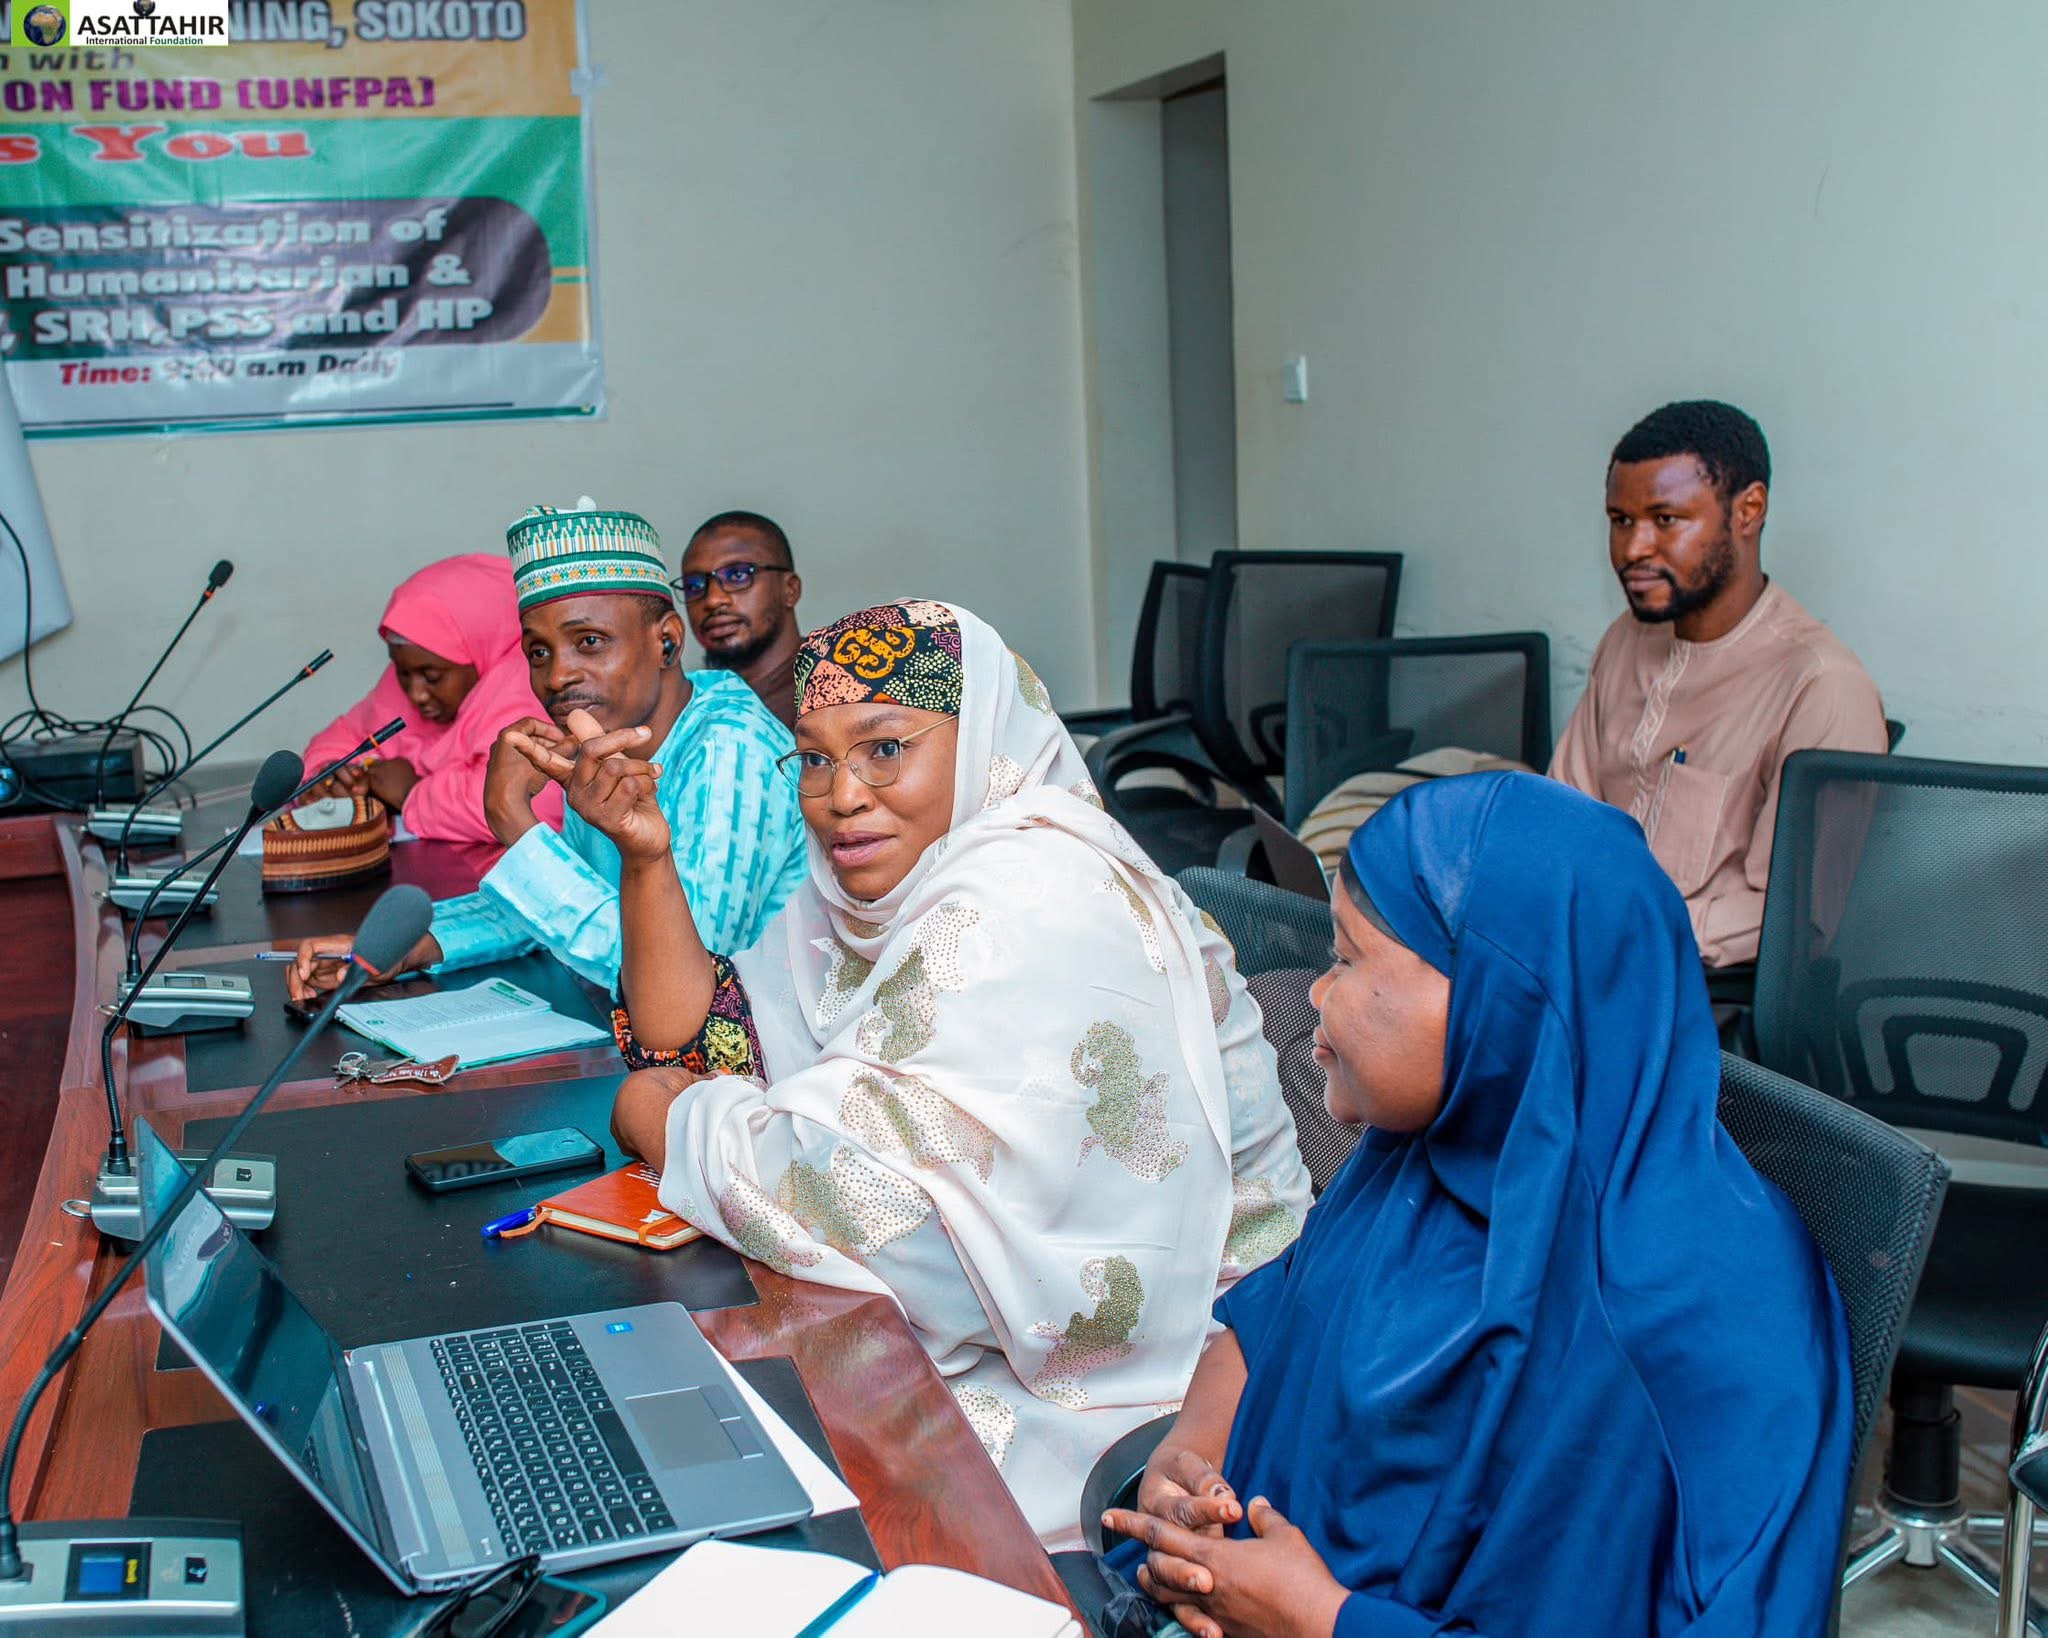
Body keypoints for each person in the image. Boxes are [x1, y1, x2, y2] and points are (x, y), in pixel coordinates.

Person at [523, 599, 1312, 1550]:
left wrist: (674, 1122)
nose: (842, 795)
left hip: (1176, 1398)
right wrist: (645, 855)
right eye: (815, 759)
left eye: (886, 748)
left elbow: (885, 1222)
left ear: (979, 742)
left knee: (720, 1491)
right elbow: (695, 1044)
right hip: (986, 1344)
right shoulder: (868, 898)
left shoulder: (1030, 896)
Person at [1099, 773, 1852, 1638]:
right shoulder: (1426, 1153)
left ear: (1500, 999)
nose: (1316, 993)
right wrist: (1191, 1452)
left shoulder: (1713, 1317)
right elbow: (1271, 1319)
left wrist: (1325, 1621)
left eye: (1347, 960)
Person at [288, 501, 807, 998]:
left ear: (666, 642)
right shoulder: (604, 739)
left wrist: (516, 824)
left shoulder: (732, 749)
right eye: (539, 652)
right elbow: (566, 896)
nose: (557, 676)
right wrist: (414, 945)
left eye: (590, 642)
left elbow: (684, 980)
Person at [1549, 400, 1887, 967]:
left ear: (1748, 510)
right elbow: (1564, 817)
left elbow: (1798, 914)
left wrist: (1621, 932)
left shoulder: (1821, 685)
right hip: (1575, 958)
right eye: (1621, 521)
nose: (1633, 549)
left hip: (1692, 988)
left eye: (1666, 519)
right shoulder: (1626, 640)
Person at [299, 554, 564, 845]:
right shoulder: (409, 675)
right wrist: (330, 778)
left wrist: (410, 793)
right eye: (403, 673)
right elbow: (343, 738)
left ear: (480, 647)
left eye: (432, 676)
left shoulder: (529, 684)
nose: (416, 694)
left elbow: (527, 808)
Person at [675, 510, 803, 729]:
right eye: (694, 585)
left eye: (738, 575)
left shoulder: (834, 691)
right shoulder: (686, 706)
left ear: (790, 590)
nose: (713, 600)